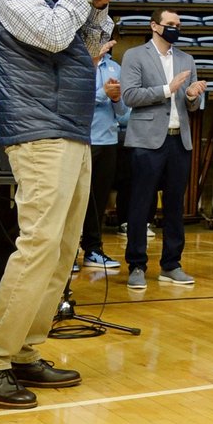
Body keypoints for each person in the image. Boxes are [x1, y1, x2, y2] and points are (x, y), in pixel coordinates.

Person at [0, 0, 117, 410]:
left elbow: (84, 55)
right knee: (37, 246)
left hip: (73, 130)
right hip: (38, 131)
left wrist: (96, 11)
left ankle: (24, 350)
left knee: (62, 250)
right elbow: (51, 36)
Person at [120, 8, 206, 289]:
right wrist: (168, 89)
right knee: (140, 205)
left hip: (179, 140)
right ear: (154, 26)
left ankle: (171, 264)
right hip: (146, 140)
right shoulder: (135, 55)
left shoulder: (186, 58)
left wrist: (192, 96)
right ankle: (136, 265)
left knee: (174, 206)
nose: (175, 28)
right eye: (170, 24)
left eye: (178, 24)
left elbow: (190, 105)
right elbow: (130, 96)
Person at [81, 39, 126, 271]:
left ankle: (93, 250)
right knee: (75, 200)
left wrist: (117, 99)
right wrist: (103, 93)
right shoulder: (77, 64)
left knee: (99, 200)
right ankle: (65, 256)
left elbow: (124, 115)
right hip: (81, 140)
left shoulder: (115, 68)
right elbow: (75, 103)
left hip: (108, 141)